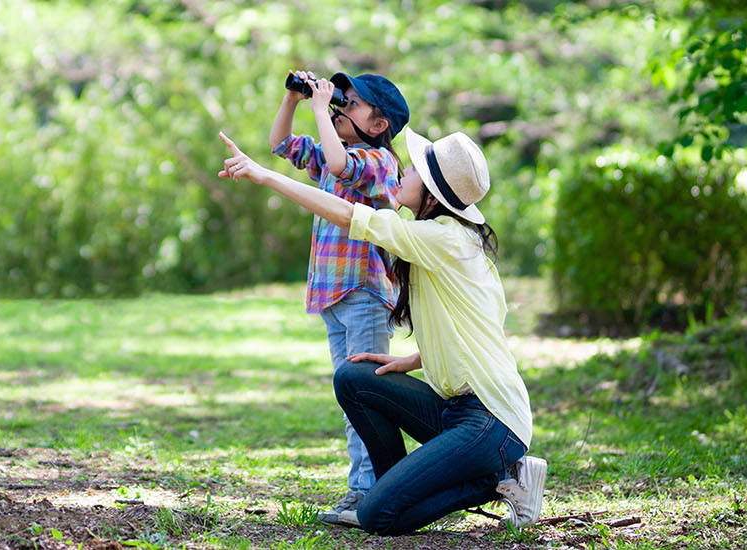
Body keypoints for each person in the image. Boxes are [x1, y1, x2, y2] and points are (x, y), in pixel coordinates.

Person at [218, 129, 546, 535]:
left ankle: (500, 481)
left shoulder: (443, 238)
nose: (402, 171)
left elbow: (345, 214)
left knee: (378, 517)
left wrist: (265, 175)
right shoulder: (443, 241)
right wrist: (411, 360)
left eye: (412, 170)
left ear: (431, 192)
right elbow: (477, 326)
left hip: (491, 422)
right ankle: (392, 486)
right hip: (457, 410)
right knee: (355, 378)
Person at [266, 70, 410, 517]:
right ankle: (365, 487)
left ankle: (369, 490)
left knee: (365, 396)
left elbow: (337, 167)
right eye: (340, 99)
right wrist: (293, 100)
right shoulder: (340, 149)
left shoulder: (379, 163)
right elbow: (280, 144)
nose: (340, 105)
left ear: (379, 123)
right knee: (350, 400)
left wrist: (319, 109)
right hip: (332, 298)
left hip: (363, 293)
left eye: (352, 103)